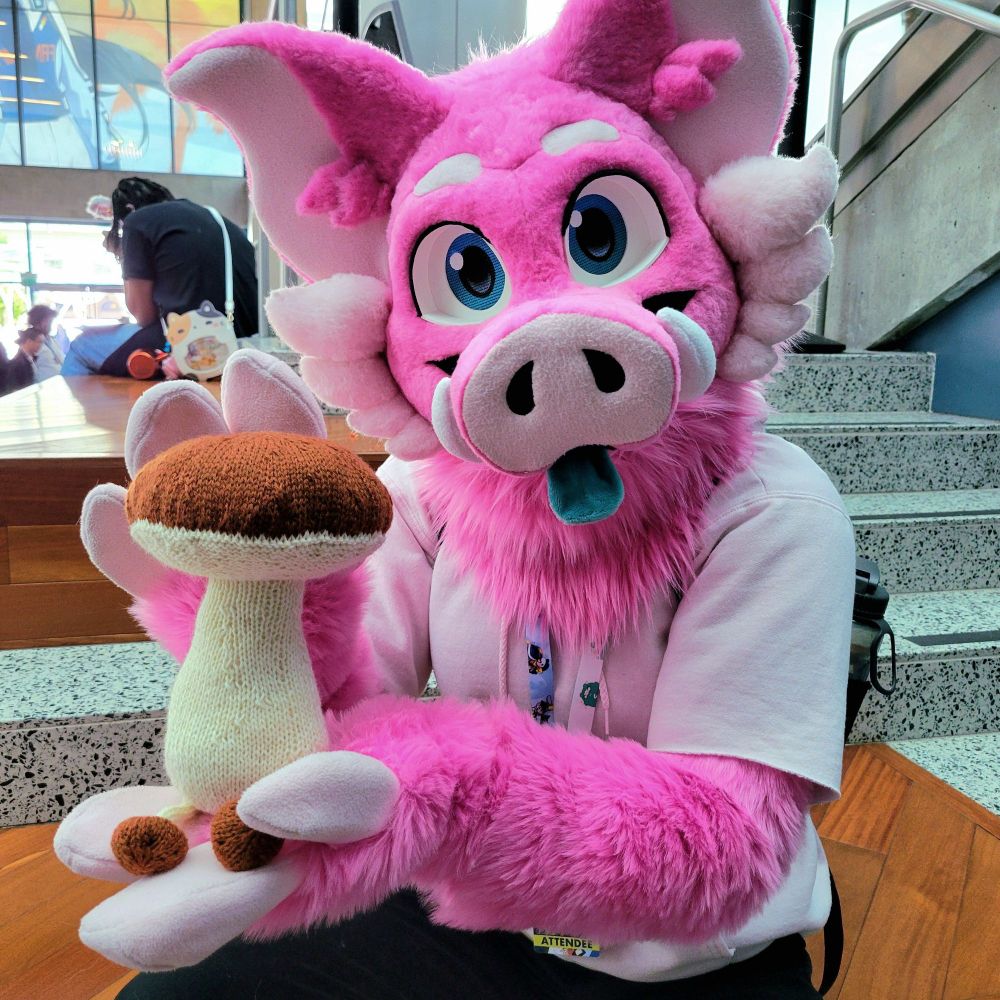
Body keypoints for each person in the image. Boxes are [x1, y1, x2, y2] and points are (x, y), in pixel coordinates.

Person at [57, 3, 852, 998]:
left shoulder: (771, 510)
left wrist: (441, 786)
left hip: (691, 958)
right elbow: (329, 705)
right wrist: (249, 596)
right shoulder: (429, 492)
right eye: (469, 273)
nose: (537, 329)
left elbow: (718, 845)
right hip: (490, 915)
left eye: (598, 233)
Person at [92, 176, 258, 376]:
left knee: (81, 348)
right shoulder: (222, 221)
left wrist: (126, 260)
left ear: (128, 210)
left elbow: (142, 314)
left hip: (191, 344)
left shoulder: (138, 221)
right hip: (243, 341)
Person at [20, 304, 64, 381]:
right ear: (39, 322)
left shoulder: (51, 340)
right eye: (49, 321)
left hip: (60, 385)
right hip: (44, 388)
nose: (50, 325)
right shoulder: (30, 343)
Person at [1, 327, 47, 395]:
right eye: (39, 342)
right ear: (29, 341)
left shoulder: (30, 359)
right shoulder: (18, 364)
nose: (41, 345)